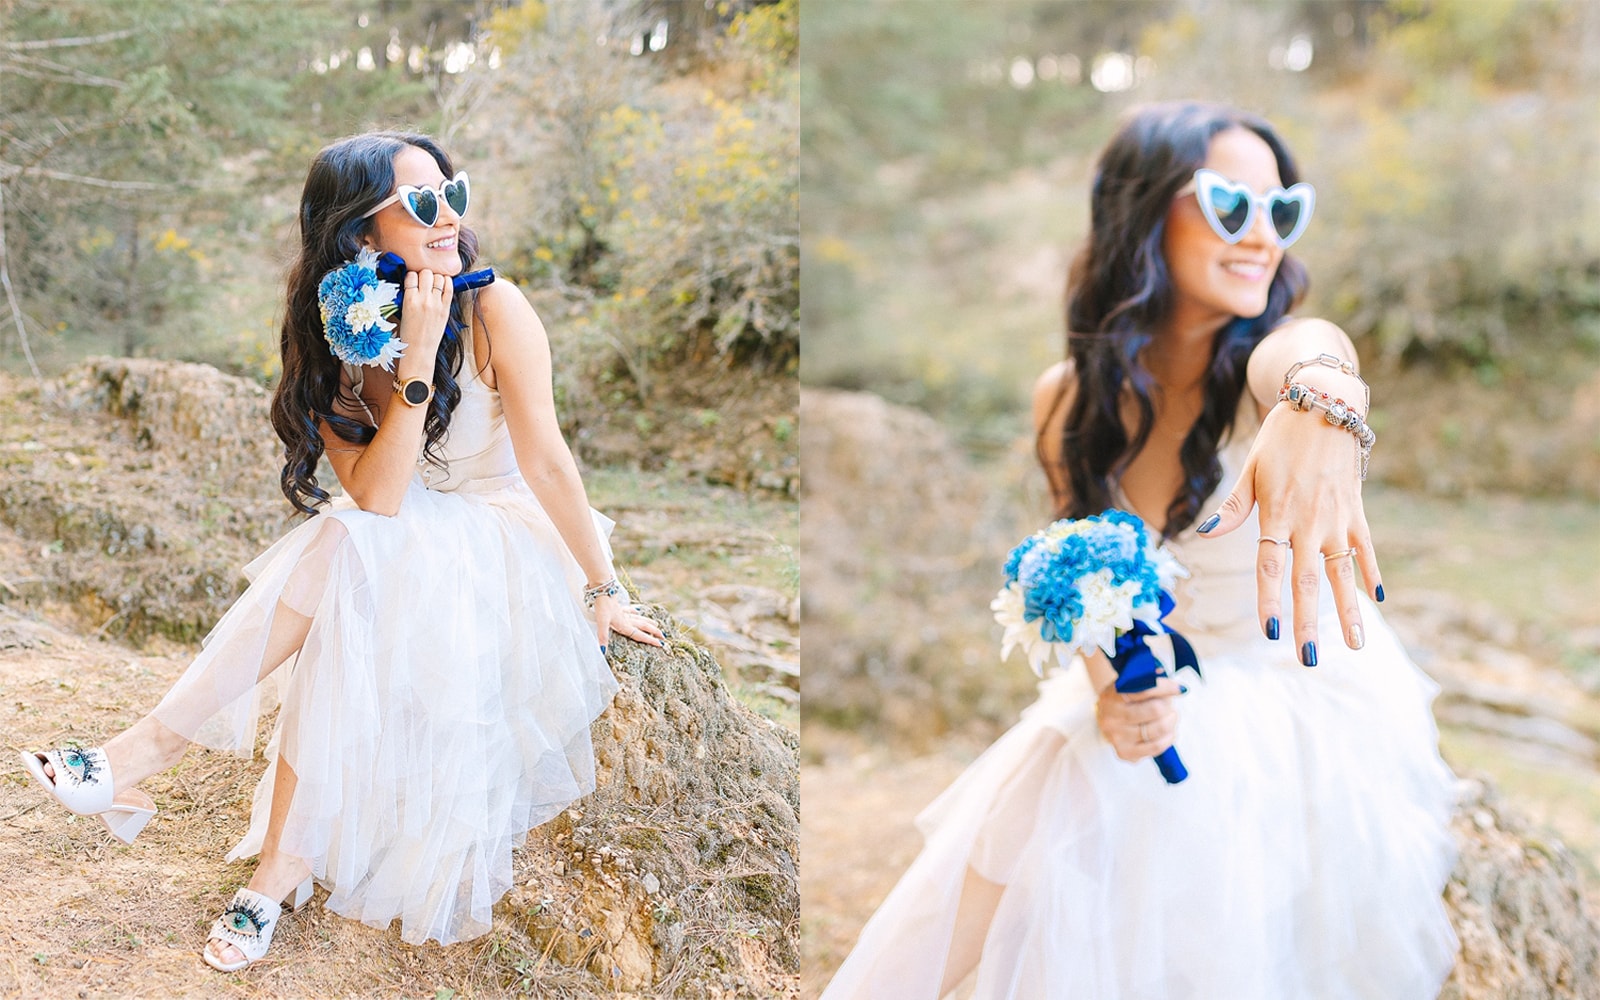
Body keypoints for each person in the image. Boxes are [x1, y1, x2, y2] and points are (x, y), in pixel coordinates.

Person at [820, 102, 1457, 998]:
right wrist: (1107, 695)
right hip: (1151, 688)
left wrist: (1322, 400)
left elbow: (1314, 345)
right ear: (1144, 209)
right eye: (1232, 206)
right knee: (1019, 826)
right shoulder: (1067, 399)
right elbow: (1085, 578)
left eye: (1284, 211)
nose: (1261, 237)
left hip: (1287, 699)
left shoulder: (1273, 370)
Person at [17, 131, 666, 971]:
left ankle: (152, 764)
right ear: (362, 234)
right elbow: (383, 492)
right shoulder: (338, 326)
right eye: (422, 203)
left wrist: (601, 586)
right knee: (349, 559)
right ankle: (269, 864)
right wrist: (417, 357)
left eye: (453, 193)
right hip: (403, 526)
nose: (449, 217)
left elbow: (545, 458)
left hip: (505, 533)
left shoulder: (497, 305)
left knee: (345, 550)